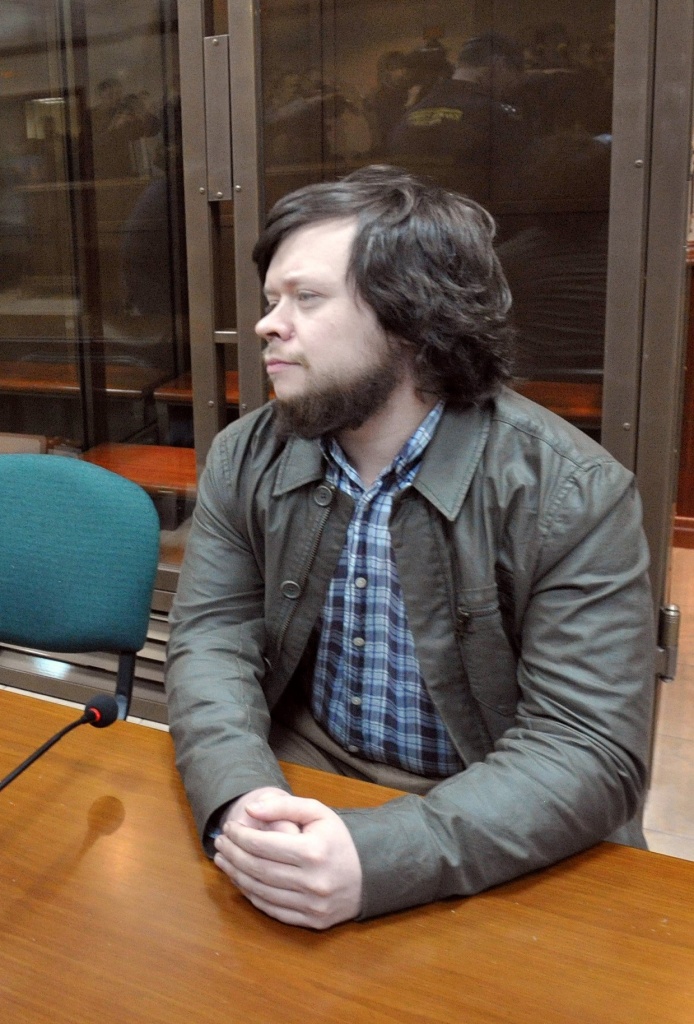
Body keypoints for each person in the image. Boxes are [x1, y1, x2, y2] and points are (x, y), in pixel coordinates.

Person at [165, 164, 655, 931]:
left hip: (495, 816)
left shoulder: (572, 491)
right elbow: (211, 638)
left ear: (413, 319)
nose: (267, 324)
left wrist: (381, 856)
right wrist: (242, 796)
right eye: (271, 300)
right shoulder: (245, 454)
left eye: (306, 297)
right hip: (304, 784)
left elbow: (588, 748)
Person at [387, 33, 527, 205]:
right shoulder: (497, 117)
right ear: (499, 64)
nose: (515, 83)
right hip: (471, 215)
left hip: (416, 214)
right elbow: (513, 190)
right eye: (515, 73)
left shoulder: (409, 117)